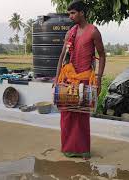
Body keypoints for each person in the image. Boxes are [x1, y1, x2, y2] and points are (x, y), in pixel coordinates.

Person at [53, 0, 106, 159]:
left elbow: (102, 55)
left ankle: (83, 150)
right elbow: (62, 56)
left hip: (84, 79)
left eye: (73, 13)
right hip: (68, 78)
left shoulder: (93, 31)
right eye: (69, 13)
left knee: (81, 115)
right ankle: (68, 149)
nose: (70, 16)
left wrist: (98, 78)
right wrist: (57, 80)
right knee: (67, 114)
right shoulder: (70, 32)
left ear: (82, 12)